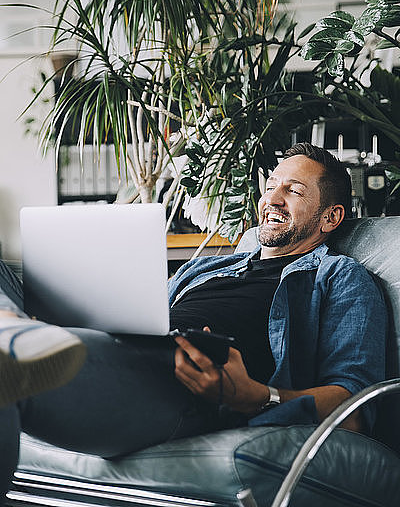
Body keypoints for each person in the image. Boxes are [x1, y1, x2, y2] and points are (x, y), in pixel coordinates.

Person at [0, 142, 387, 501]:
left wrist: (258, 396)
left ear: (331, 216)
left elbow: (353, 406)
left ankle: (20, 338)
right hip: (126, 352)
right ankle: (23, 333)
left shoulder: (340, 277)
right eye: (270, 185)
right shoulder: (206, 268)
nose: (272, 198)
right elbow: (143, 315)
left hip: (188, 386)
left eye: (294, 191)